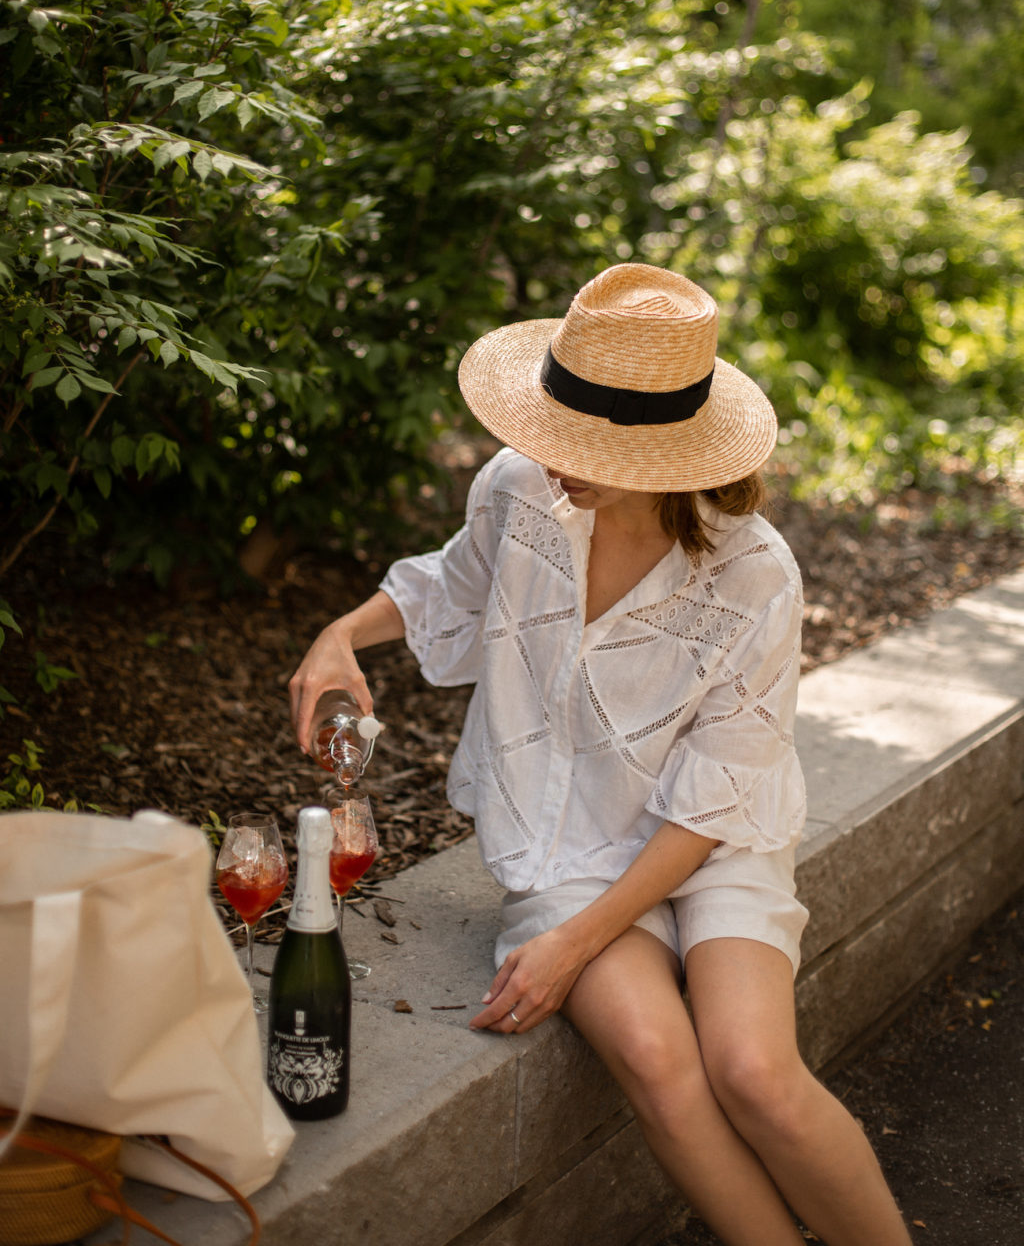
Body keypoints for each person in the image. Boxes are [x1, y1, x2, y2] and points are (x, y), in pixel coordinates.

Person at [290, 263, 912, 1246]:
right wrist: (339, 635)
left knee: (755, 1075)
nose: (547, 457)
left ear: (673, 452)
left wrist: (572, 947)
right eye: (546, 428)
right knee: (663, 1069)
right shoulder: (520, 488)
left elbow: (715, 801)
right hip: (565, 836)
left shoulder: (757, 579)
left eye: (579, 443)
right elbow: (448, 586)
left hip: (711, 841)